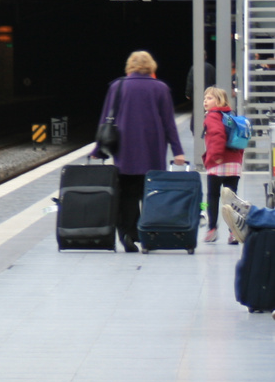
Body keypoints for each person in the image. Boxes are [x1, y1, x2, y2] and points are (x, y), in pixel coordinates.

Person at [93, 50, 187, 252]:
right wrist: (178, 151)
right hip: (152, 152)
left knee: (127, 195)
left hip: (124, 153)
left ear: (130, 66)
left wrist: (98, 149)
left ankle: (128, 234)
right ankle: (149, 234)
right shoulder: (161, 88)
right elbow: (169, 123)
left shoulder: (117, 86)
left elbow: (105, 120)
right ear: (151, 67)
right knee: (150, 195)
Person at [202, 86, 244, 245]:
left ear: (219, 101)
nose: (205, 101)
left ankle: (212, 229)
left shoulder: (213, 117)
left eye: (210, 98)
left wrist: (217, 156)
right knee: (231, 199)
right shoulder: (231, 115)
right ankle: (233, 232)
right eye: (205, 98)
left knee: (212, 196)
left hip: (217, 164)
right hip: (234, 164)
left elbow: (219, 135)